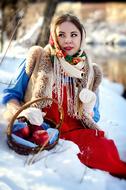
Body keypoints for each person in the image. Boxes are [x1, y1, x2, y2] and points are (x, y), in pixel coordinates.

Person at [2, 13, 126, 178]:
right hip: (42, 127)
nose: (68, 40)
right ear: (54, 36)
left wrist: (88, 109)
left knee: (105, 149)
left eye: (73, 34)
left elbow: (94, 116)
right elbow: (11, 94)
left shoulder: (90, 72)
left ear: (82, 37)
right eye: (61, 34)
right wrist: (23, 112)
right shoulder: (38, 58)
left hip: (75, 132)